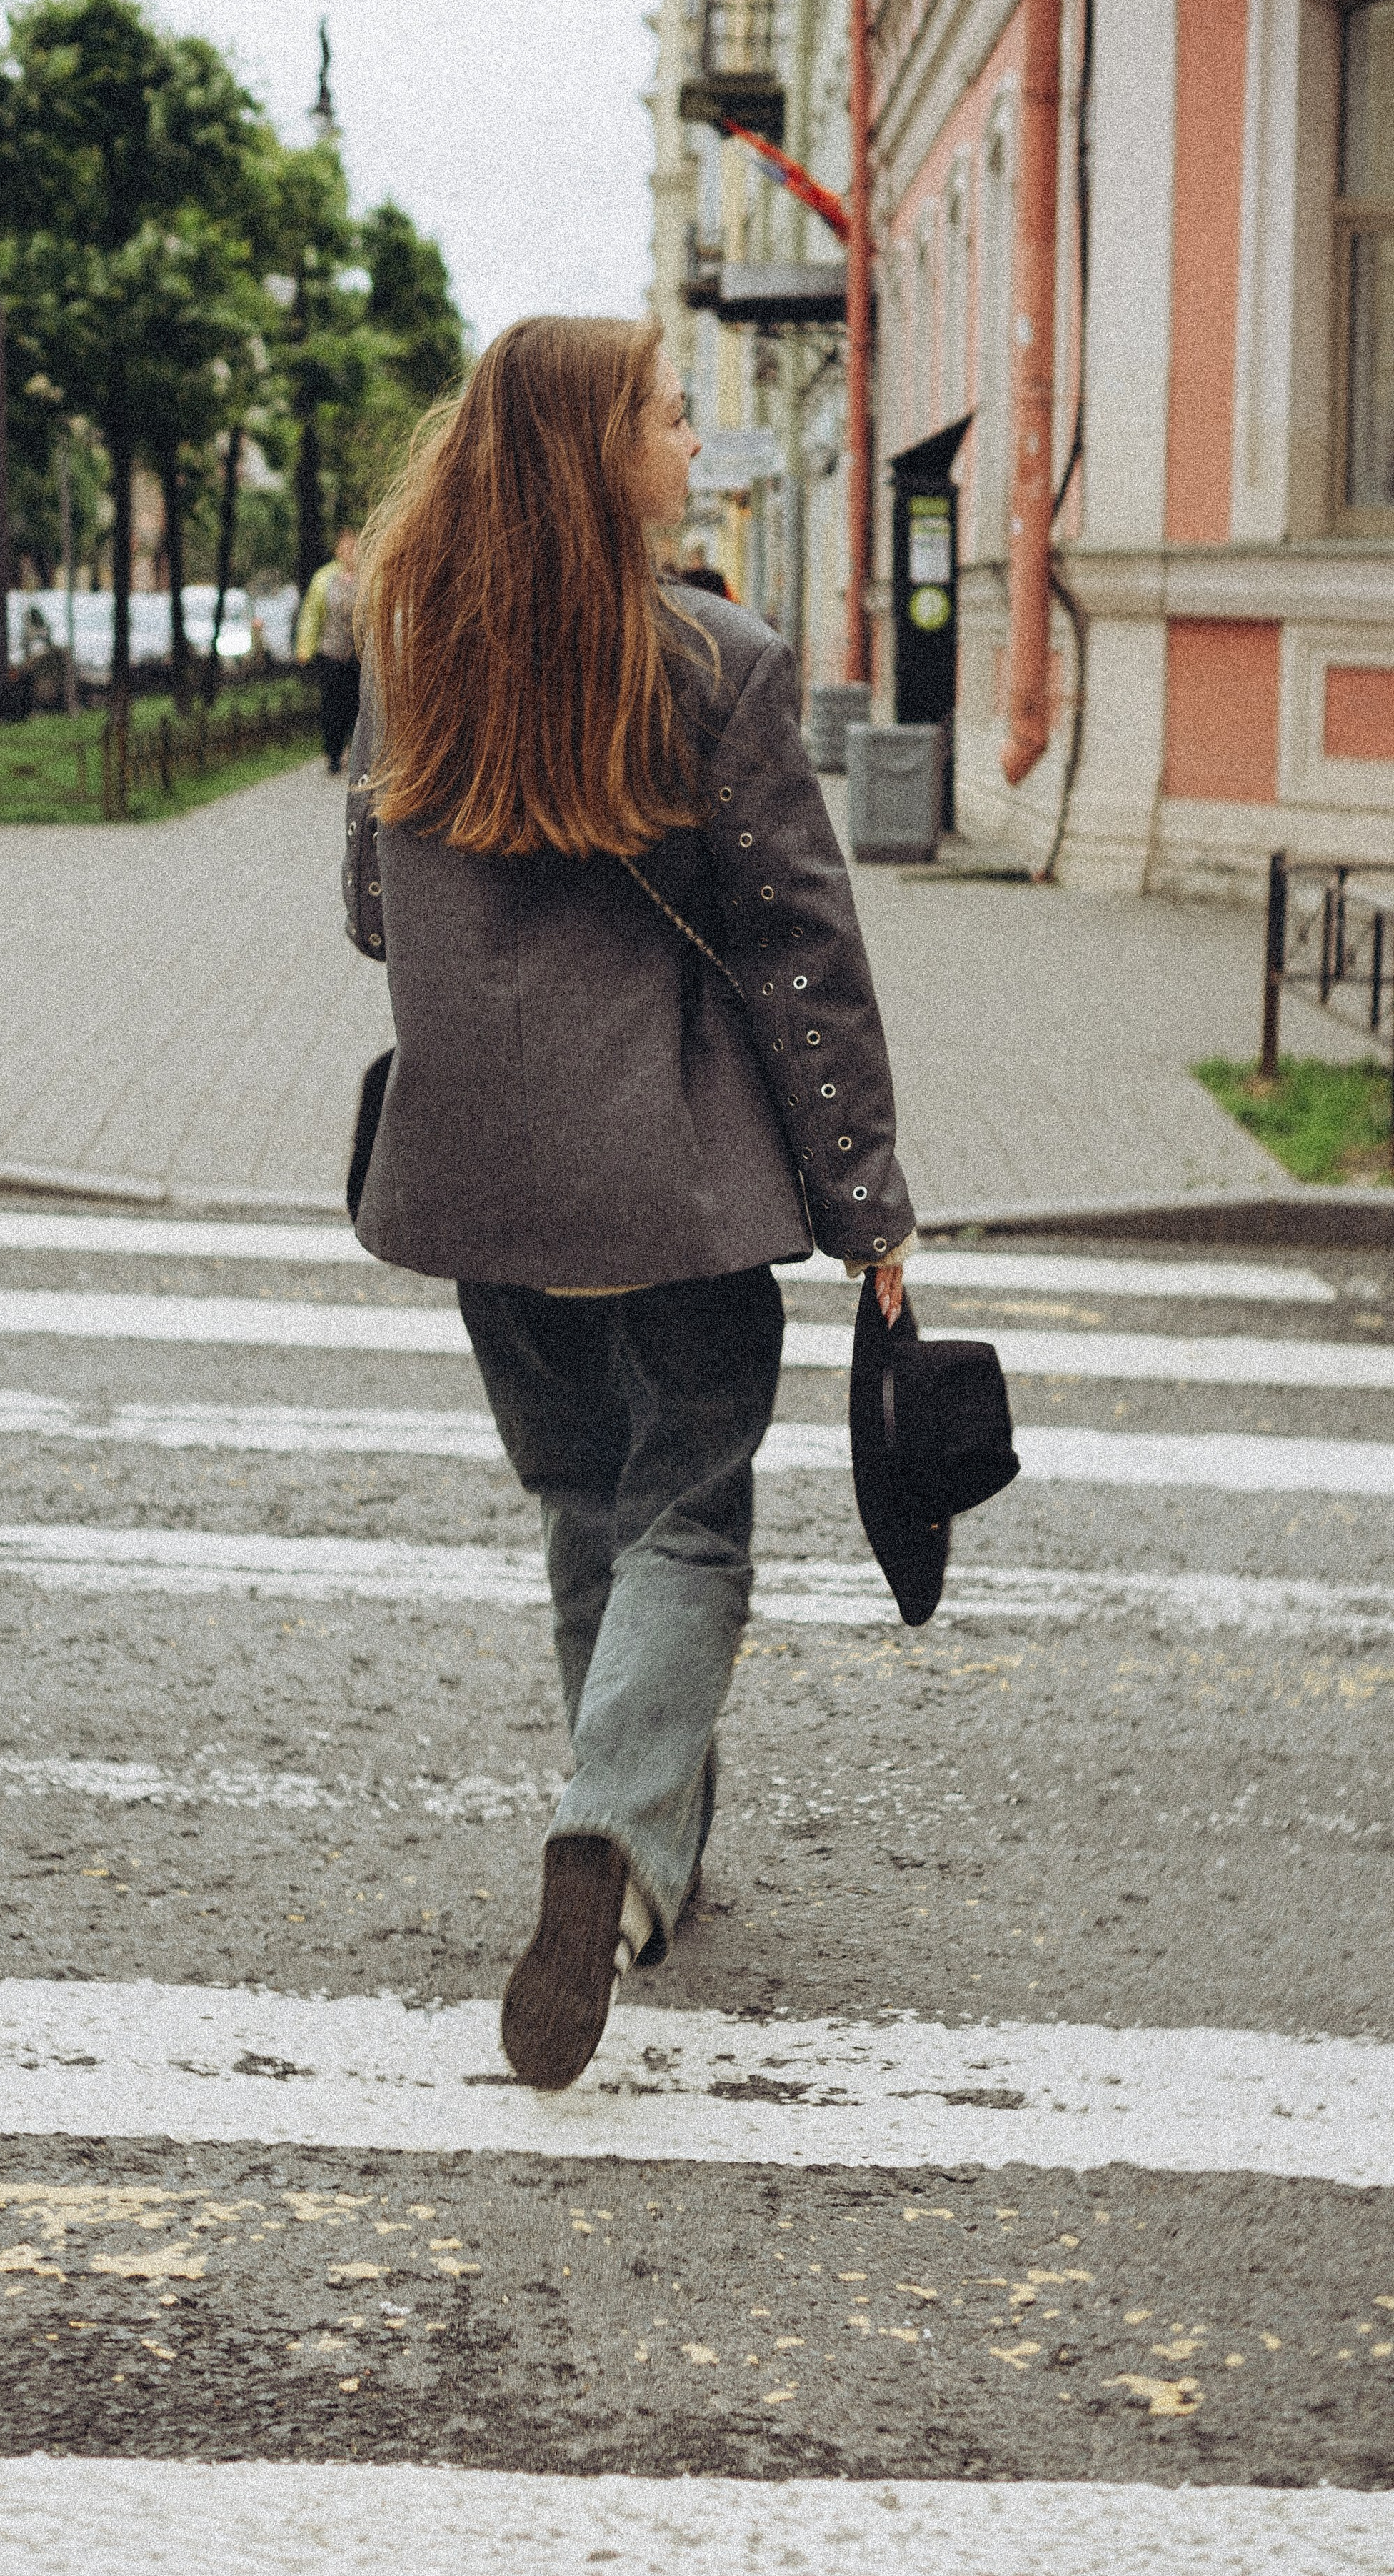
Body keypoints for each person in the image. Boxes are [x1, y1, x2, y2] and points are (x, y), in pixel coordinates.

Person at [342, 316, 913, 2092]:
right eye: (669, 415)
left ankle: (646, 1852)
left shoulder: (407, 649)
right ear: (599, 454)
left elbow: (370, 911)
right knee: (687, 1516)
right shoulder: (718, 665)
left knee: (581, 1491)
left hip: (474, 1167)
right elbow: (802, 964)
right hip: (673, 1182)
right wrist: (870, 1207)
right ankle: (608, 1828)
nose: (690, 438)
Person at [296, 525, 362, 775]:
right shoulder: (324, 578)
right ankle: (333, 754)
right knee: (332, 705)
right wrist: (305, 646)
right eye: (345, 547)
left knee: (357, 705)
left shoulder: (368, 575)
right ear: (337, 551)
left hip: (358, 653)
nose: (350, 552)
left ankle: (356, 753)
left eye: (354, 547)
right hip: (331, 652)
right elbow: (311, 615)